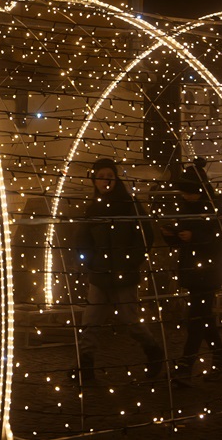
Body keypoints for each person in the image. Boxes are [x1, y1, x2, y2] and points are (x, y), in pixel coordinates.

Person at [73, 158, 165, 384]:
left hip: (124, 275)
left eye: (109, 176)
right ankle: (85, 367)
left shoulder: (129, 204)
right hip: (99, 275)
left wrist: (131, 260)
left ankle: (153, 351)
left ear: (116, 178)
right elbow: (82, 238)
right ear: (94, 180)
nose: (105, 181)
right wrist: (90, 260)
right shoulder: (92, 209)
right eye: (100, 177)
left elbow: (145, 235)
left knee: (130, 321)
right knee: (91, 321)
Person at [160, 165, 222, 387]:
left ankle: (185, 366)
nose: (186, 196)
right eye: (184, 193)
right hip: (192, 271)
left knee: (196, 319)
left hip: (209, 271)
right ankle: (221, 360)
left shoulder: (215, 207)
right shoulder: (186, 207)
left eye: (190, 192)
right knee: (203, 318)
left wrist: (194, 236)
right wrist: (171, 236)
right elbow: (182, 240)